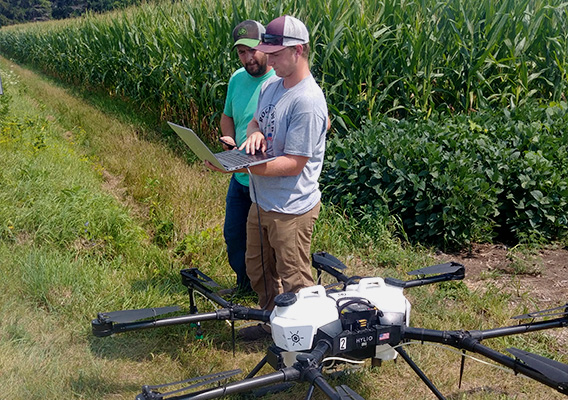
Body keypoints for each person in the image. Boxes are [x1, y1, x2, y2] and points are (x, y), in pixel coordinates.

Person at [207, 15, 328, 340]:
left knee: (294, 278)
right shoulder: (273, 85)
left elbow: (294, 163)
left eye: (274, 55)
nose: (268, 61)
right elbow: (254, 123)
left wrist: (240, 165)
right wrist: (255, 135)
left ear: (298, 50)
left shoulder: (308, 100)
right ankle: (271, 324)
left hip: (291, 208)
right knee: (259, 271)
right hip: (260, 201)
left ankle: (307, 342)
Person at [219, 20, 276, 295]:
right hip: (239, 176)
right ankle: (245, 286)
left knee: (263, 243)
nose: (248, 58)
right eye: (241, 52)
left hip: (265, 179)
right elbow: (227, 116)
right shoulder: (236, 79)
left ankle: (267, 292)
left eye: (252, 50)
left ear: (265, 46)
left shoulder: (280, 81)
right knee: (234, 236)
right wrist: (229, 139)